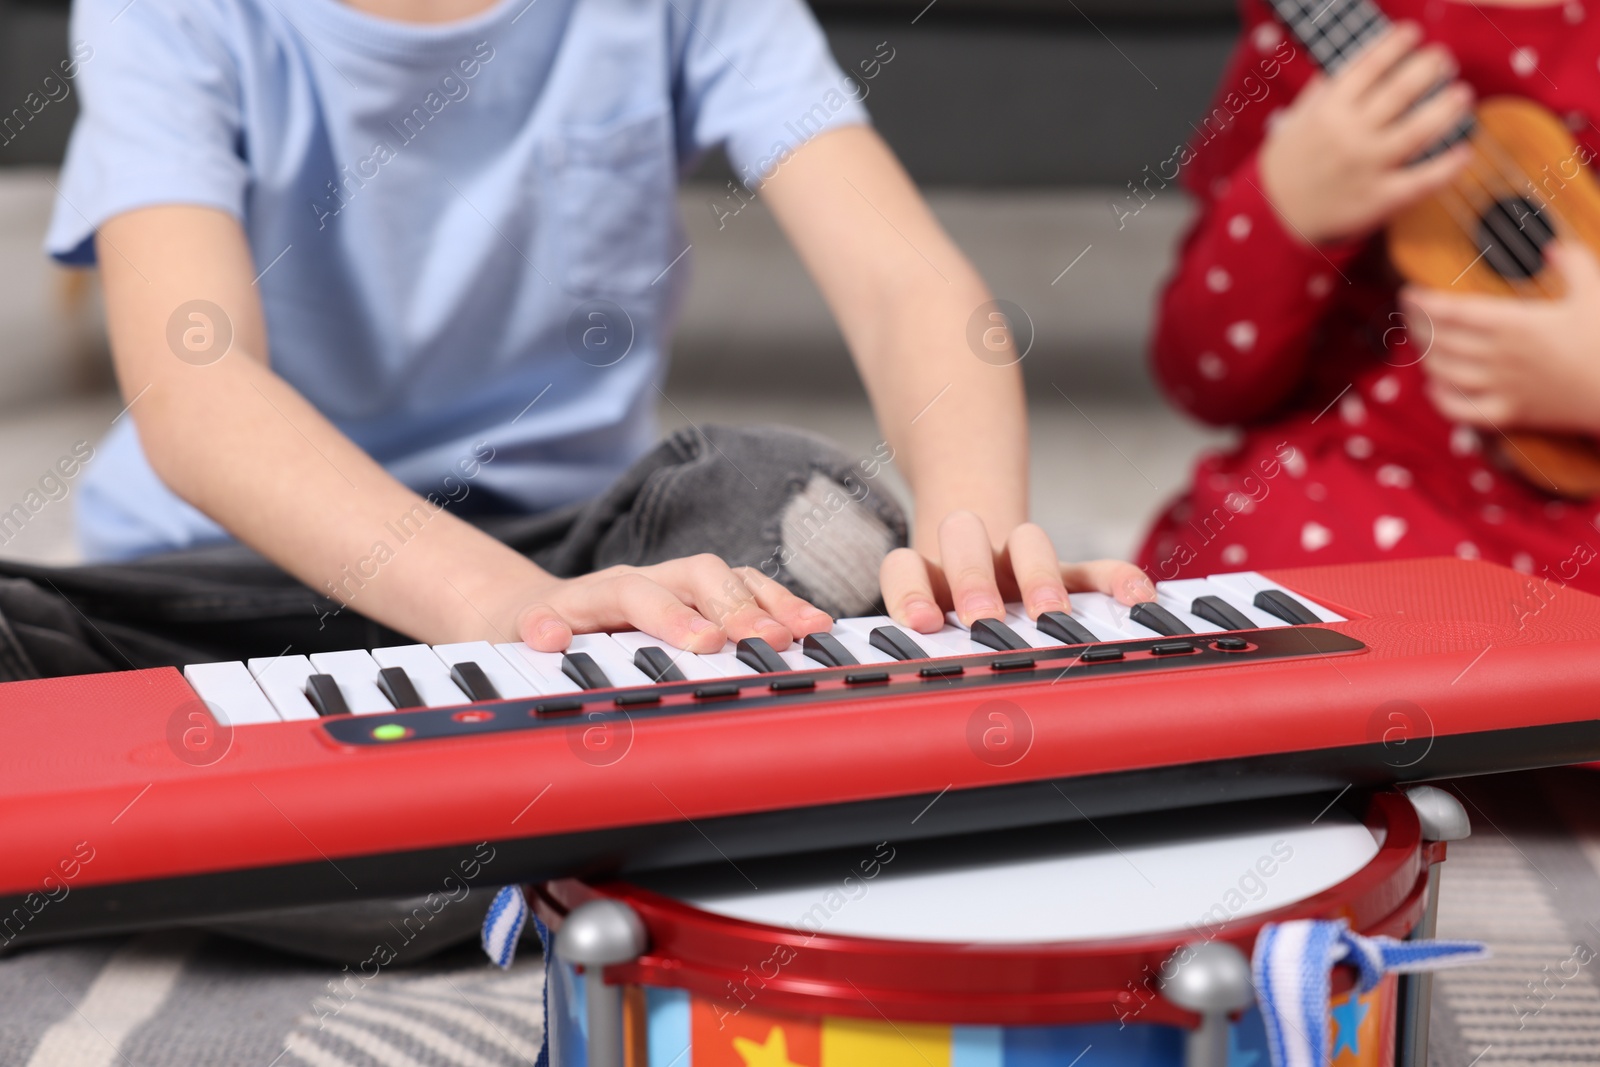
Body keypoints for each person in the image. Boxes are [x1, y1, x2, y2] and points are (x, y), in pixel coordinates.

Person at [36, 0, 1156, 681]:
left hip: (588, 574)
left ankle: (444, 821)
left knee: (808, 518)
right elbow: (195, 388)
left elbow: (907, 286)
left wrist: (979, 562)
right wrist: (495, 614)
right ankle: (589, 807)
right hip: (222, 591)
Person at [1138, 0, 1600, 597]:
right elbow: (1202, 375)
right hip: (1379, 462)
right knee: (1265, 553)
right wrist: (1284, 207)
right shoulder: (1331, 22)